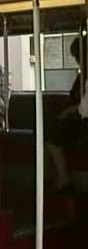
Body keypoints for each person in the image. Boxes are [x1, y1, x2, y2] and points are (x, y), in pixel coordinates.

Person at [46, 36, 88, 194]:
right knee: (47, 125)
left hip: (83, 120)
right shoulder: (82, 74)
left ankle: (63, 179)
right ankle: (50, 175)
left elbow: (84, 107)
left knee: (52, 132)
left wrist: (68, 111)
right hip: (77, 115)